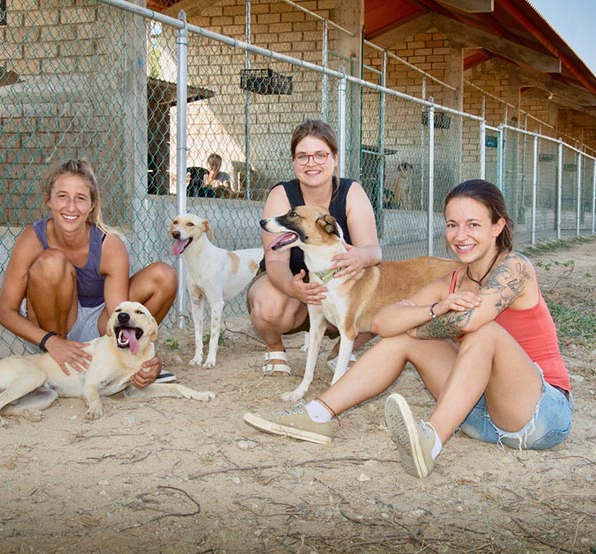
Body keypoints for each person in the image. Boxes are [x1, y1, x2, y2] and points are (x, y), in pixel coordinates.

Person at [244, 179, 573, 478]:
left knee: (482, 333)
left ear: (497, 226)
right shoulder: (452, 281)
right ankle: (316, 414)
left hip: (539, 414)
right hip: (478, 415)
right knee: (402, 333)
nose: (461, 235)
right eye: (452, 225)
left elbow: (469, 321)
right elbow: (384, 323)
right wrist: (433, 309)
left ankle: (430, 440)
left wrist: (421, 322)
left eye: (474, 225)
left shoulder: (516, 267)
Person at [0, 159, 179, 387]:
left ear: (92, 204)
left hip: (98, 328)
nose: (71, 207)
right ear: (49, 201)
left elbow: (118, 314)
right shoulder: (31, 239)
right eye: (62, 196)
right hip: (50, 332)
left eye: (81, 198)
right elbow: (6, 311)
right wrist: (50, 341)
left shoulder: (109, 245)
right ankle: (60, 369)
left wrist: (145, 354)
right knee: (52, 261)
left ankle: (129, 364)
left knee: (164, 276)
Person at [247, 119, 383, 376]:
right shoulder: (282, 194)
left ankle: (342, 350)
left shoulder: (351, 191)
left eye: (320, 155)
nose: (312, 163)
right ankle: (275, 349)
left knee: (382, 297)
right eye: (303, 156)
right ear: (294, 161)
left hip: (339, 284)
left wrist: (359, 258)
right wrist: (293, 287)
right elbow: (275, 261)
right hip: (295, 286)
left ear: (334, 158)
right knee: (269, 304)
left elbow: (373, 251)